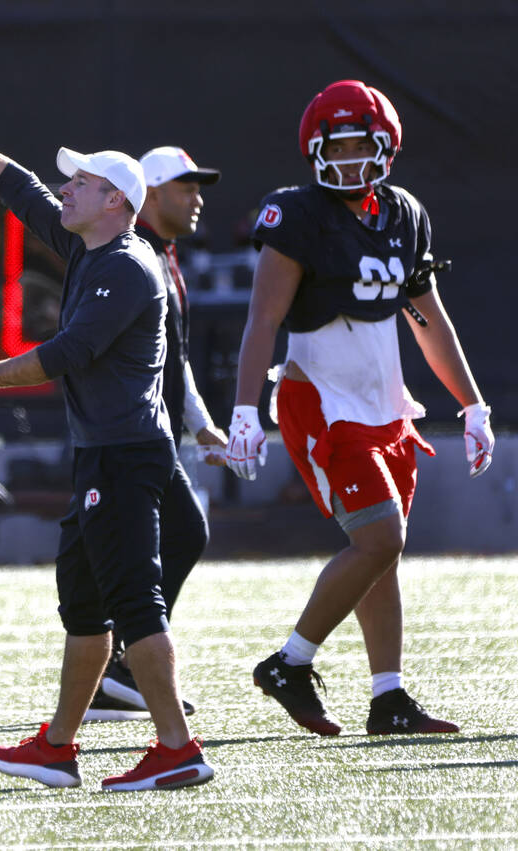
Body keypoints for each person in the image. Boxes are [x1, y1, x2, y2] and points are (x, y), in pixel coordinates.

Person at [0, 69, 213, 791]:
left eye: (79, 183)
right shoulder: (90, 244)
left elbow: (67, 354)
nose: (66, 191)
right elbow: (14, 184)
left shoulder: (127, 265)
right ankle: (57, 744)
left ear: (115, 199)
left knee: (134, 601)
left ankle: (176, 746)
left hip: (122, 456)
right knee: (84, 608)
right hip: (105, 456)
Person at [226, 80, 495, 736]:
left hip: (385, 401)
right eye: (335, 146)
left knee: (380, 551)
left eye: (359, 144)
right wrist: (244, 409)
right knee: (380, 537)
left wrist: (473, 404)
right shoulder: (298, 213)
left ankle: (388, 696)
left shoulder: (403, 214)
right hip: (320, 397)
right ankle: (290, 661)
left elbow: (429, 319)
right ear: (313, 150)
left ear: (386, 147)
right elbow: (264, 319)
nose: (347, 159)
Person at [86, 147, 227, 721]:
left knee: (164, 543)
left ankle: (113, 674)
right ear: (154, 191)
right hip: (127, 435)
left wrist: (200, 423)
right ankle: (117, 671)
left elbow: (176, 357)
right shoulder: (133, 251)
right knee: (177, 536)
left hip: (151, 434)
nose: (197, 199)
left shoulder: (163, 254)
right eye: (186, 187)